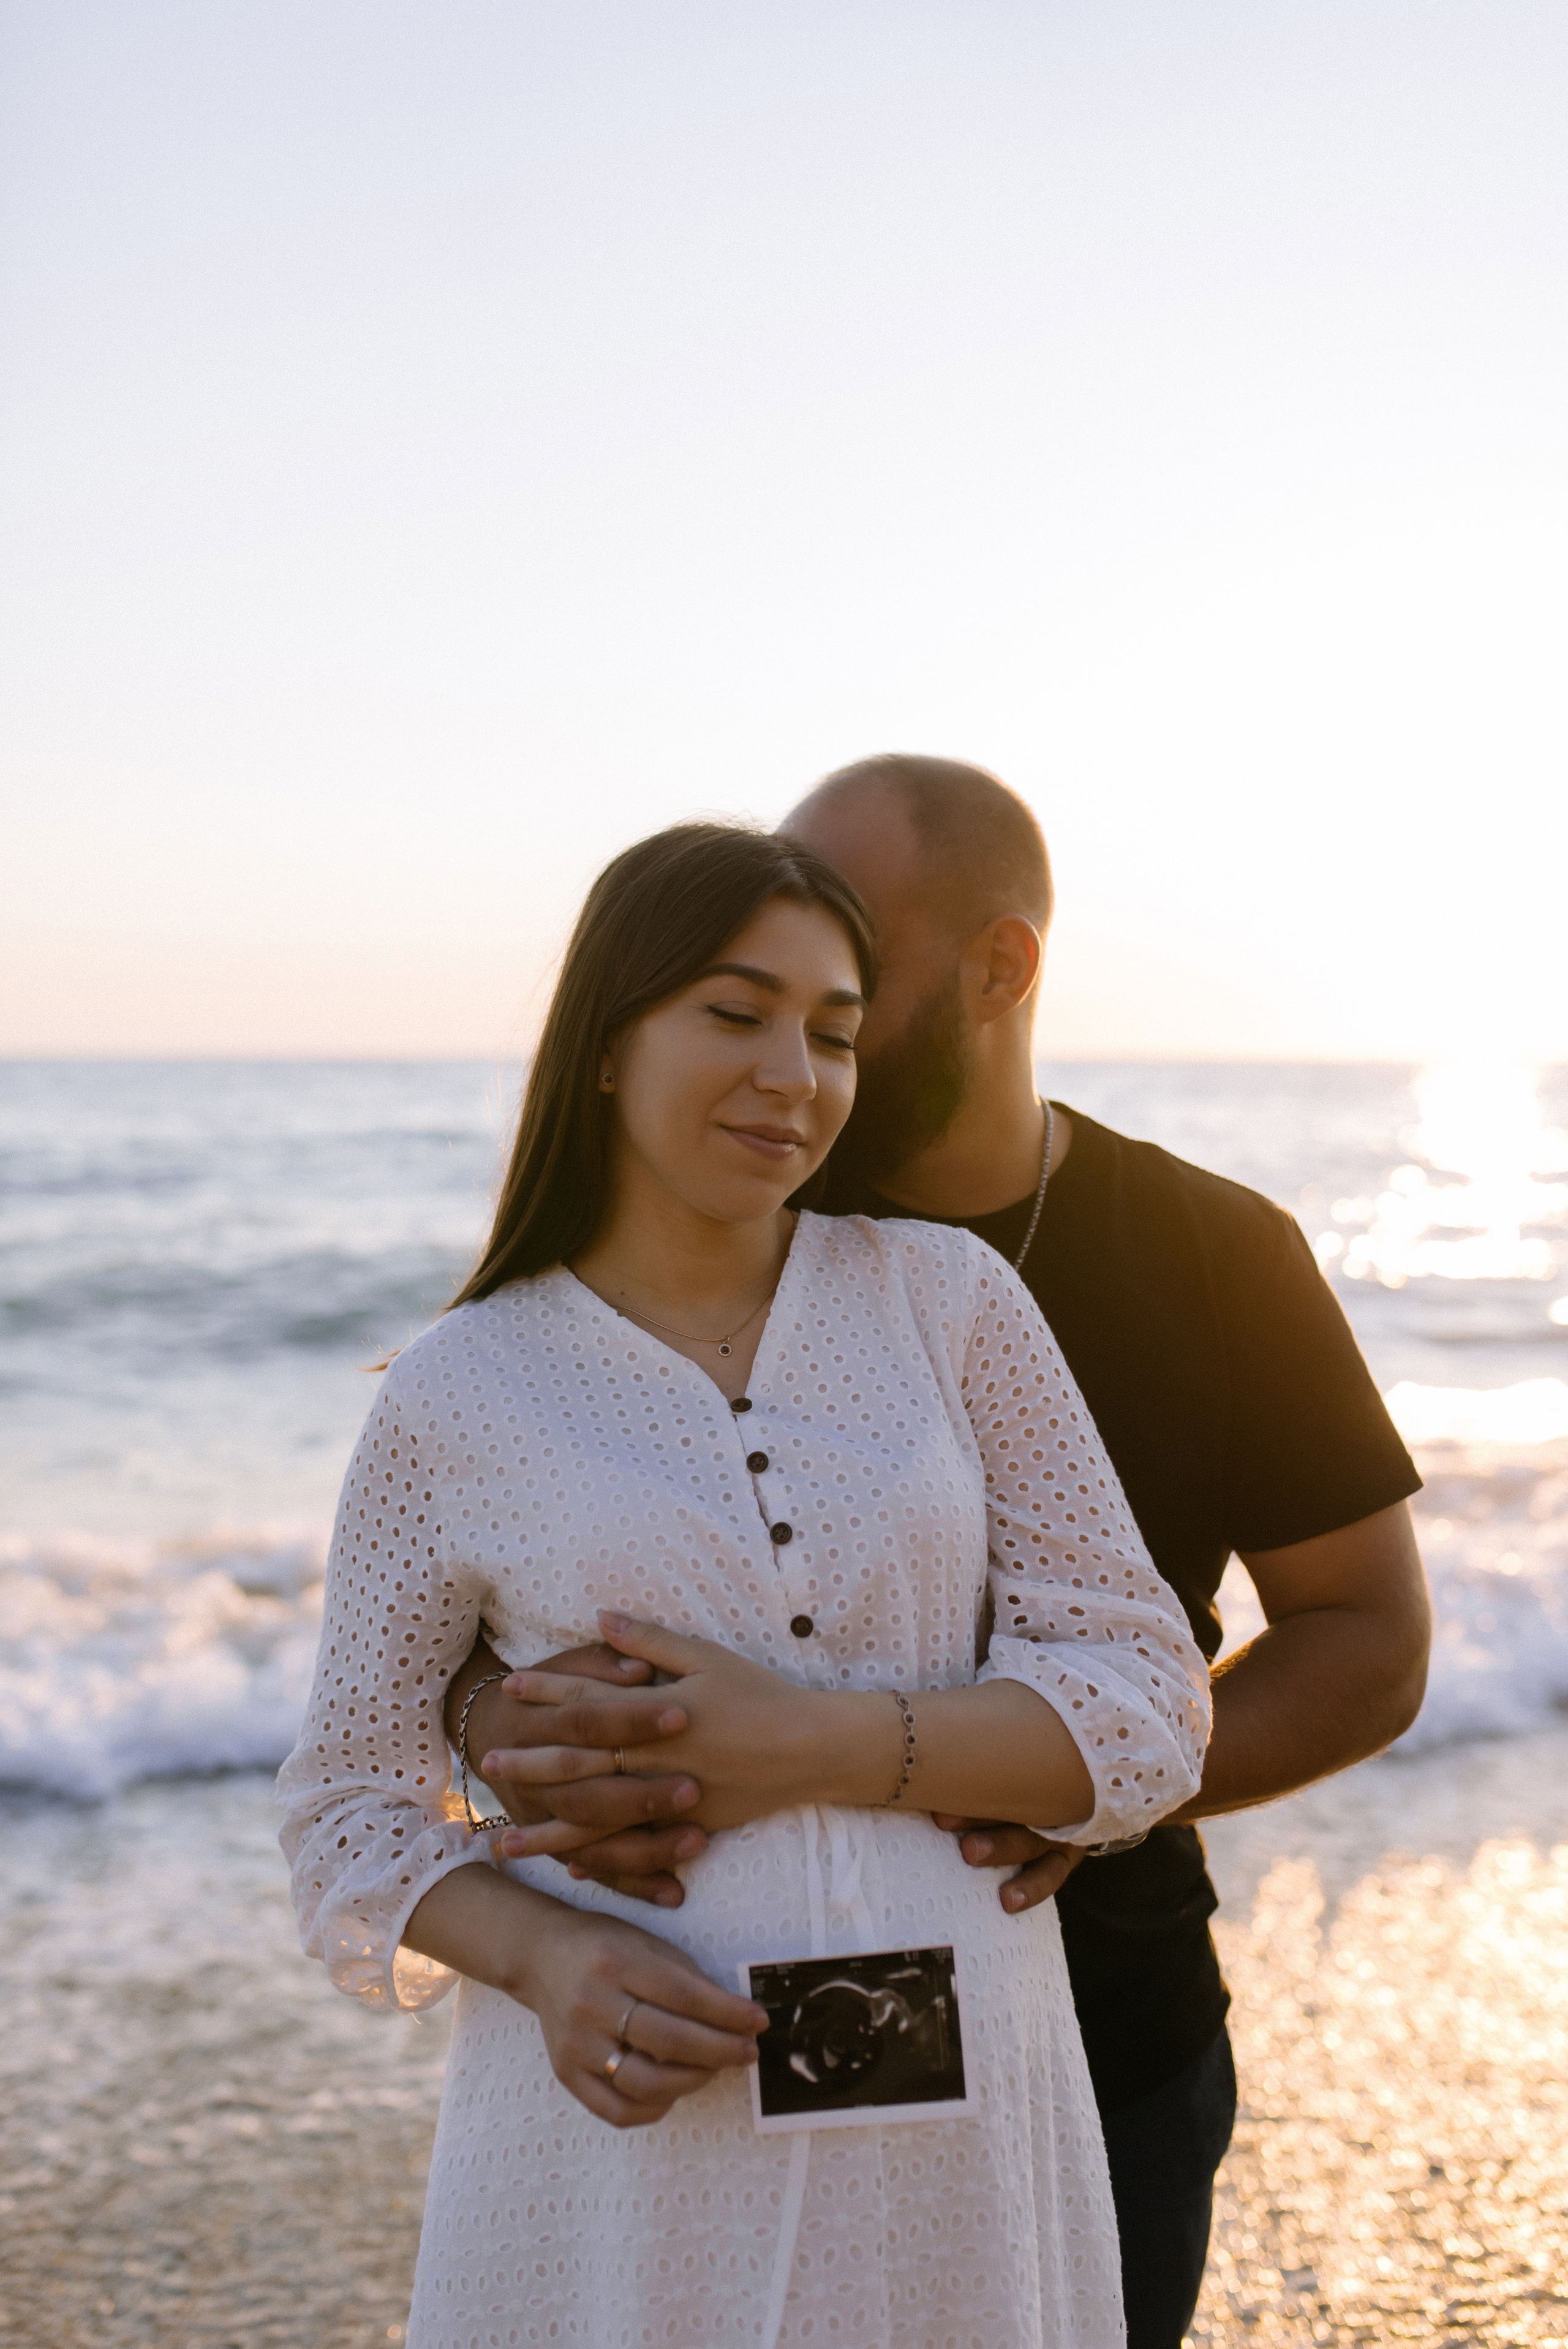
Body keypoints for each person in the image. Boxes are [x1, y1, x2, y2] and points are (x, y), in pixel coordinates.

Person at [450, 760, 1431, 2349]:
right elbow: (473, 1578)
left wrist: (1087, 1783)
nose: (793, 1035)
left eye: (851, 966)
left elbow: (1368, 1635)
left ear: (1003, 966)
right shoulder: (712, 1212)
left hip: (1103, 2030)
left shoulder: (1217, 1251)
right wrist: (505, 1720)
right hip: (711, 2014)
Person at [278, 820, 1212, 2349]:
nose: (794, 1073)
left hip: (959, 2107)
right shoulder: (456, 1391)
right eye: (733, 1013)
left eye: (832, 1033)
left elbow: (1145, 1697)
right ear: (602, 1040)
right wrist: (548, 1955)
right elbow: (347, 1812)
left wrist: (822, 1743)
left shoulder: (950, 1301)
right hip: (634, 2132)